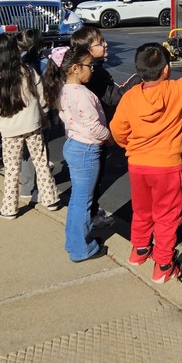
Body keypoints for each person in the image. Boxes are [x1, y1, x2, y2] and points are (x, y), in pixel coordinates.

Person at [110, 33, 182, 283]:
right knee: (167, 217)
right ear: (166, 70)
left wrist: (131, 146)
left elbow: (117, 130)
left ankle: (139, 249)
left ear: (140, 70)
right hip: (167, 166)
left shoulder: (130, 97)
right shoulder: (178, 89)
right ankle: (164, 264)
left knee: (142, 210)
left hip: (137, 164)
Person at [0, 33, 61, 220]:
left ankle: (10, 208)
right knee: (41, 162)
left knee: (11, 169)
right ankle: (51, 199)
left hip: (10, 131)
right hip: (33, 124)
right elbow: (41, 95)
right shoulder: (27, 70)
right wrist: (43, 114)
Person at [44, 45, 111, 262]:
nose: (92, 69)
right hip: (86, 150)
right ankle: (82, 248)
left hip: (74, 144)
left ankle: (74, 241)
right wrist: (110, 137)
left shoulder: (61, 89)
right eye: (90, 65)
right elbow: (94, 127)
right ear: (74, 68)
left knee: (78, 199)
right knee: (84, 201)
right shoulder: (82, 95)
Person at [69, 25, 121, 229]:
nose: (106, 44)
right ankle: (89, 220)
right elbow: (114, 97)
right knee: (92, 183)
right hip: (94, 138)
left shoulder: (76, 79)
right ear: (88, 52)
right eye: (100, 43)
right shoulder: (96, 75)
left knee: (86, 186)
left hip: (77, 138)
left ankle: (90, 213)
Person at [16, 28, 51, 204]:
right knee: (40, 153)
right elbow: (45, 91)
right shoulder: (44, 64)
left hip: (20, 113)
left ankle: (26, 188)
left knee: (25, 153)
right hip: (38, 113)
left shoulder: (17, 63)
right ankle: (42, 191)